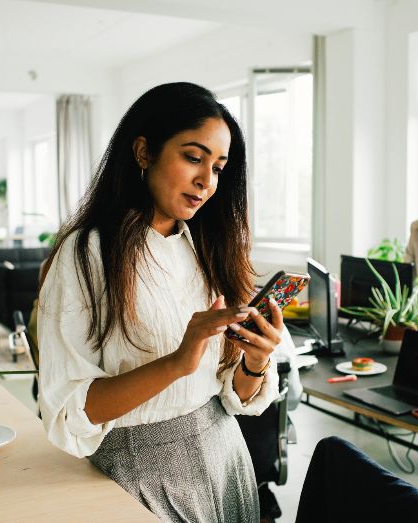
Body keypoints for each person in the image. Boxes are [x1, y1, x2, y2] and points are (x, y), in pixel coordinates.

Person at [37, 82, 288, 523]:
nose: (207, 182)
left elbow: (233, 396)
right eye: (193, 157)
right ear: (143, 152)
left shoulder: (210, 250)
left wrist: (255, 362)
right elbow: (67, 411)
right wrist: (176, 362)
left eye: (218, 167)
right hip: (137, 475)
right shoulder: (86, 255)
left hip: (225, 457)